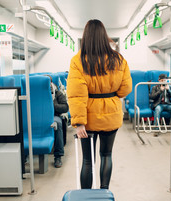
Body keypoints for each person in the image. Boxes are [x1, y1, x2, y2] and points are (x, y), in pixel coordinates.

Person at [67, 19, 132, 189]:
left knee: (88, 161)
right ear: (105, 36)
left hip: (88, 118)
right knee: (106, 155)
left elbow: (76, 94)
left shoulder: (77, 60)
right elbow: (125, 89)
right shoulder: (119, 59)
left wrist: (79, 122)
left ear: (85, 37)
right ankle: (104, 192)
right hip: (111, 113)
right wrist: (110, 94)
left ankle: (86, 197)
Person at [50, 77, 69, 168]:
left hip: (54, 116)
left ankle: (58, 156)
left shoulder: (57, 93)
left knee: (58, 123)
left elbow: (65, 107)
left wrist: (53, 105)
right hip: (38, 117)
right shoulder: (36, 94)